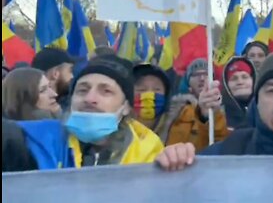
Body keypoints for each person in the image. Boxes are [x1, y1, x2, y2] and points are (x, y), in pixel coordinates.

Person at [1, 55, 164, 171]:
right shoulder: (36, 140)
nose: (90, 98)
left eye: (106, 91)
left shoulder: (149, 155)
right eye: (82, 90)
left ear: (126, 106)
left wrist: (179, 161)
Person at [166, 58, 228, 152]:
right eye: (196, 75)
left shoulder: (223, 110)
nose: (202, 78)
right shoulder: (175, 111)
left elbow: (221, 144)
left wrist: (209, 117)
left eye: (206, 74)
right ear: (187, 82)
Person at [132, 63, 171, 142]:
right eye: (141, 89)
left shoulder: (175, 128)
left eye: (157, 89)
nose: (149, 94)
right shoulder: (116, 130)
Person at [221, 57, 256, 130]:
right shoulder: (219, 115)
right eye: (234, 78)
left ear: (253, 80)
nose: (240, 82)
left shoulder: (265, 110)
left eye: (245, 77)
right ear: (226, 84)